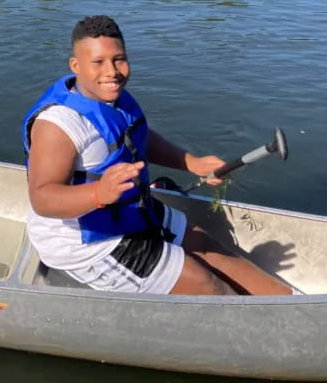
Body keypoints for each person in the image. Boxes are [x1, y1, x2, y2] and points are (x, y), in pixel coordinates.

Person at [22, 15, 293, 296]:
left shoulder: (112, 99)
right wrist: (98, 193)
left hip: (130, 210)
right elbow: (43, 197)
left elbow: (137, 139)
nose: (112, 71)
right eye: (98, 62)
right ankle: (262, 332)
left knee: (214, 251)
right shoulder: (59, 125)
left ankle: (291, 306)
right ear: (75, 65)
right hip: (86, 243)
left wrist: (191, 163)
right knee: (208, 286)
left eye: (119, 59)